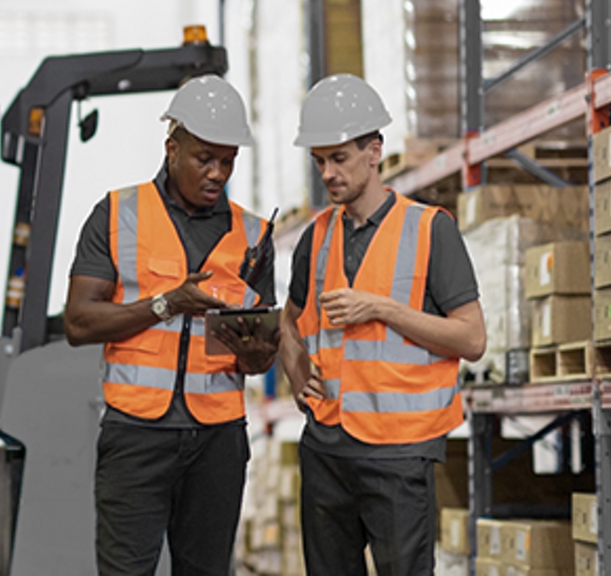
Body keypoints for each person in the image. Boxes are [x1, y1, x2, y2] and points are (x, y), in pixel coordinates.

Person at [64, 74, 279, 576]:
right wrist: (168, 303)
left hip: (218, 439)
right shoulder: (117, 214)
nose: (217, 173)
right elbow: (78, 321)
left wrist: (256, 350)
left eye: (227, 161)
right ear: (172, 148)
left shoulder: (254, 235)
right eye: (205, 158)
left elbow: (261, 357)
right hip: (136, 433)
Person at [278, 74, 486, 576]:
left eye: (339, 158)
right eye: (319, 161)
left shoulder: (430, 229)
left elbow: (472, 338)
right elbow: (289, 316)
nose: (328, 173)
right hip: (326, 447)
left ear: (375, 151)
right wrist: (293, 365)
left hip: (399, 453)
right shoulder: (316, 238)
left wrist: (383, 309)